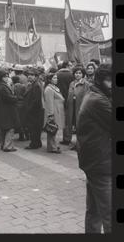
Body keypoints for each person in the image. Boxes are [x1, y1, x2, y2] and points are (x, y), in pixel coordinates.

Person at [76, 64, 112, 233]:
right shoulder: (98, 100)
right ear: (102, 80)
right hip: (101, 163)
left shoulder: (95, 94)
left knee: (95, 211)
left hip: (95, 161)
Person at [65, 65, 90, 150]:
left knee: (80, 127)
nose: (77, 74)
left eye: (79, 73)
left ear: (83, 74)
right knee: (74, 126)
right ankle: (77, 143)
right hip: (72, 108)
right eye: (76, 73)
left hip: (81, 108)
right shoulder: (72, 83)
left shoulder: (86, 84)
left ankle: (81, 145)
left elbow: (87, 97)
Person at [0, 69, 20, 152]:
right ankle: (8, 146)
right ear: (1, 77)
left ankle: (3, 145)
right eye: (5, 76)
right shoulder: (3, 87)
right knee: (10, 128)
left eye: (7, 76)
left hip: (2, 110)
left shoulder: (0, 85)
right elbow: (8, 98)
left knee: (3, 128)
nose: (7, 78)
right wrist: (16, 97)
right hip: (7, 110)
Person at [23, 67, 44, 149]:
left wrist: (29, 109)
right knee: (35, 128)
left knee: (34, 128)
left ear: (36, 76)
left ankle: (34, 144)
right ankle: (37, 142)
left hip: (34, 111)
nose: (29, 76)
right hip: (35, 111)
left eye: (32, 75)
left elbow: (36, 100)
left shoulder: (36, 85)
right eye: (28, 75)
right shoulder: (33, 84)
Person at [44, 73, 65, 153]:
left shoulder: (54, 87)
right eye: (54, 78)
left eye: (56, 78)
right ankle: (52, 147)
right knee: (52, 129)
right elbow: (49, 102)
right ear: (49, 79)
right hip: (54, 111)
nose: (56, 79)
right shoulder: (49, 89)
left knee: (54, 129)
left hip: (58, 110)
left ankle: (54, 145)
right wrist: (50, 114)